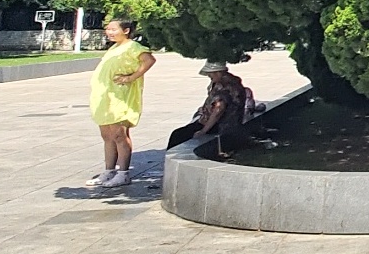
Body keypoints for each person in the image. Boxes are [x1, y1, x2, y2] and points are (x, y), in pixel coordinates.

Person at [86, 19, 156, 188]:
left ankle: (123, 173)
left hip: (120, 97)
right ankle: (109, 171)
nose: (109, 32)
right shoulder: (114, 47)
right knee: (107, 135)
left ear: (126, 30)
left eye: (113, 29)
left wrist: (130, 78)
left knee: (119, 135)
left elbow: (149, 60)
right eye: (107, 29)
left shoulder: (133, 47)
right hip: (105, 98)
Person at [167, 61, 249, 152]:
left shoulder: (224, 86)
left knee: (177, 135)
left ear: (218, 72)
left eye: (210, 74)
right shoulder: (232, 81)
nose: (209, 76)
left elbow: (219, 109)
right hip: (231, 123)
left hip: (221, 125)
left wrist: (203, 131)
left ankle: (171, 157)